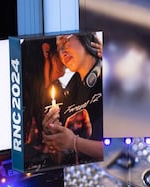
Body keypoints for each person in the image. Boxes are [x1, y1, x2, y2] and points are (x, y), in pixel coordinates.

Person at [39, 32, 104, 166]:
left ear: (85, 36)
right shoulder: (68, 94)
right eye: (58, 49)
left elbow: (126, 150)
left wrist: (74, 142)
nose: (62, 51)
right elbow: (59, 159)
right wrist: (54, 138)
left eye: (64, 41)